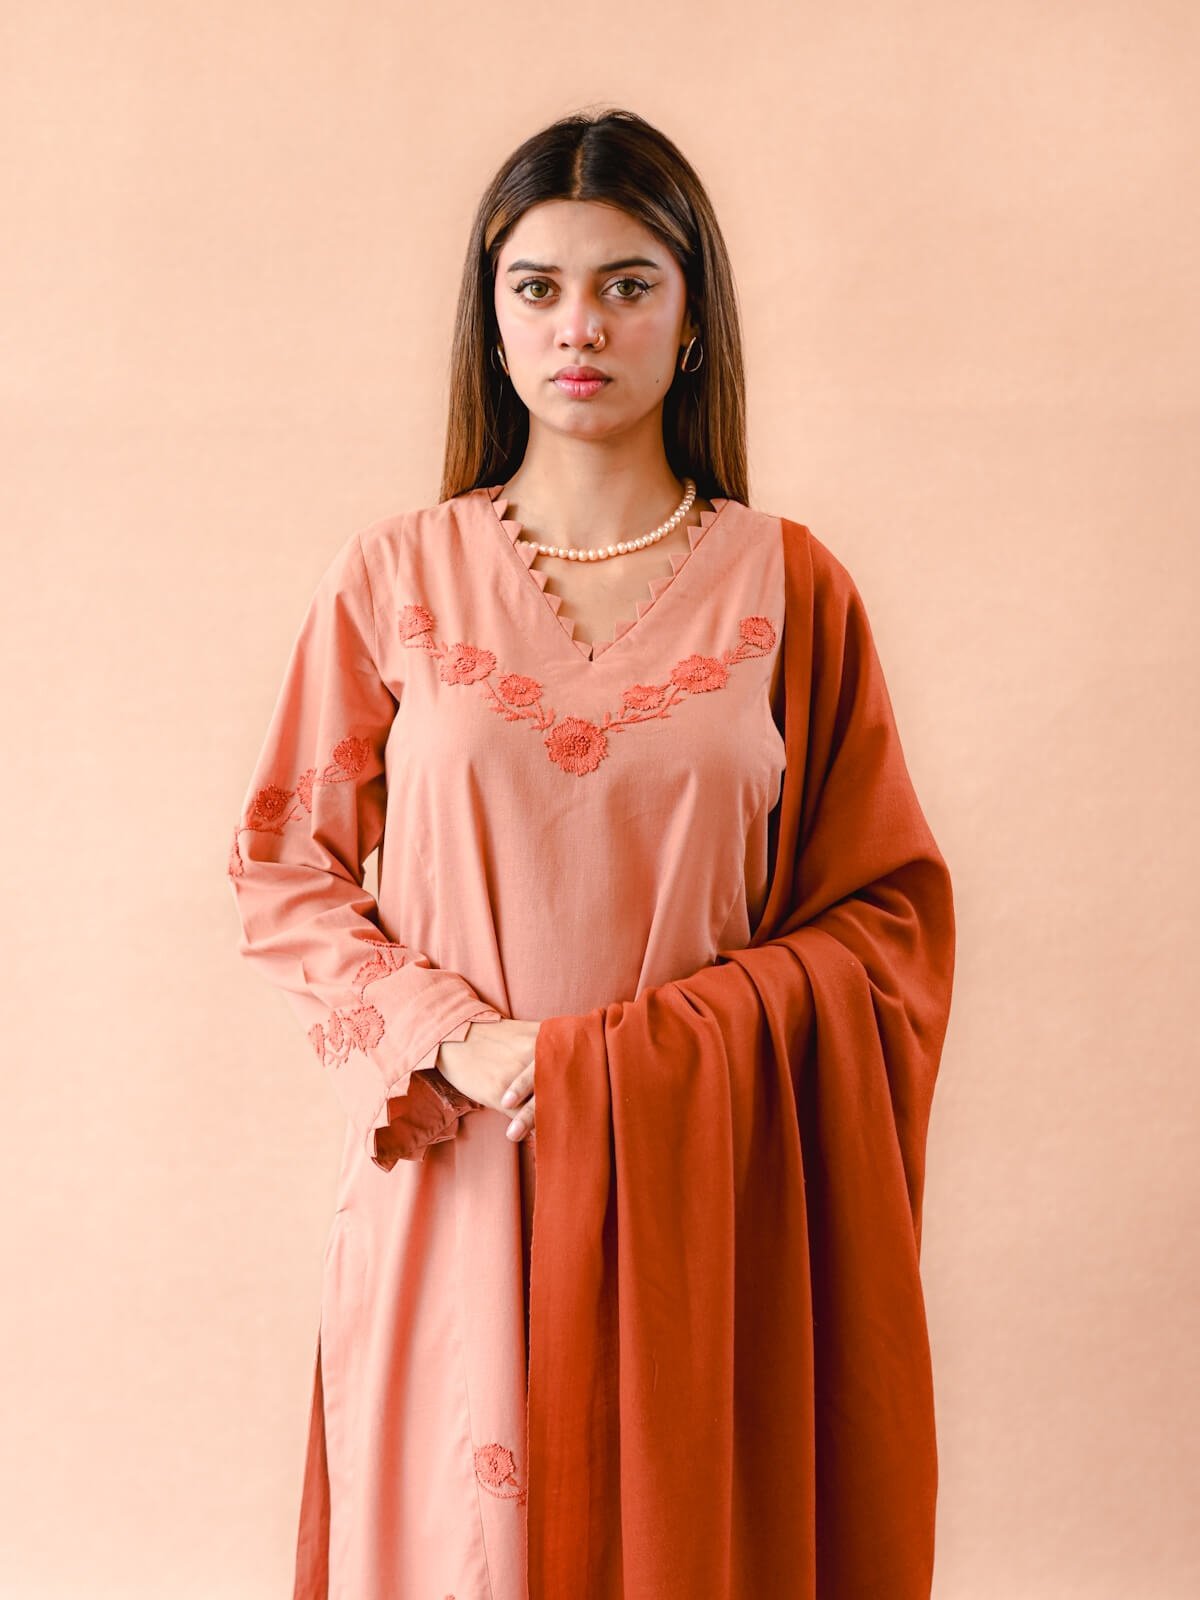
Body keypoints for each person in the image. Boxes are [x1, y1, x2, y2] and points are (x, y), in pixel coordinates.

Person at [226, 106, 955, 1600]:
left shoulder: (790, 588)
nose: (581, 326)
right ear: (491, 322)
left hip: (701, 1192)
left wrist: (644, 1064)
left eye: (629, 284)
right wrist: (454, 1037)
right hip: (459, 1173)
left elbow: (883, 918)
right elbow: (286, 866)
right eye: (538, 287)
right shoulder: (394, 578)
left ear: (692, 321)